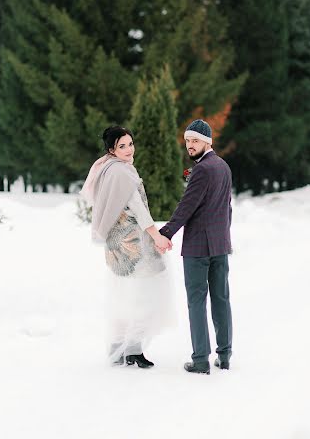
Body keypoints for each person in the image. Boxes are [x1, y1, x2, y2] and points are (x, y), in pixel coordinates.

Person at [80, 125, 173, 368]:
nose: (129, 149)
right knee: (146, 293)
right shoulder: (122, 172)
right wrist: (157, 237)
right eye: (122, 146)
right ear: (112, 149)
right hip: (133, 243)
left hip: (115, 244)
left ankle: (117, 347)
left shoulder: (103, 168)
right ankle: (132, 348)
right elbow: (139, 209)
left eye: (130, 144)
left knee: (121, 293)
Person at [159, 119, 233, 375]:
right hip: (220, 245)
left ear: (207, 142)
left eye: (195, 141)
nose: (190, 146)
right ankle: (224, 355)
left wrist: (165, 232)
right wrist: (224, 236)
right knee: (221, 299)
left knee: (197, 301)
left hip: (198, 248)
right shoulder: (223, 166)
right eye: (188, 141)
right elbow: (227, 208)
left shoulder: (202, 170)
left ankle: (201, 359)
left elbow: (186, 207)